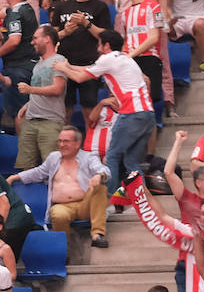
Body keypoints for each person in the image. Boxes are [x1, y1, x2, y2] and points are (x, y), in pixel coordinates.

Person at [54, 30, 155, 186]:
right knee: (131, 161)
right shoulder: (124, 58)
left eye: (99, 43)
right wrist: (70, 66)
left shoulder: (107, 59)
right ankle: (142, 199)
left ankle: (110, 200)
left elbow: (80, 78)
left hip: (131, 113)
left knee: (112, 156)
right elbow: (90, 69)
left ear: (106, 45)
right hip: (147, 113)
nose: (97, 47)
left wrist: (62, 68)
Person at [10, 126, 110, 247]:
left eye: (66, 141)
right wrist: (14, 177)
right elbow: (38, 172)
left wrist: (100, 175)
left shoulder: (88, 157)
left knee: (101, 188)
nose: (62, 144)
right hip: (62, 206)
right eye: (60, 141)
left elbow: (104, 170)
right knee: (58, 215)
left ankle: (97, 235)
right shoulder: (53, 158)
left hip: (85, 204)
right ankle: (63, 249)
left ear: (77, 143)